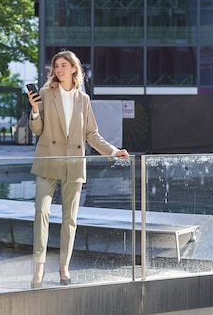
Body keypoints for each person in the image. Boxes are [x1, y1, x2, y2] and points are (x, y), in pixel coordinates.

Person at [27, 50, 129, 288]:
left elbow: (91, 134)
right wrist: (33, 110)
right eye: (56, 66)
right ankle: (39, 268)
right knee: (41, 213)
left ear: (74, 68)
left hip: (74, 163)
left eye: (63, 65)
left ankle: (64, 268)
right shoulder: (44, 93)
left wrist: (114, 152)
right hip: (47, 160)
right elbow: (37, 129)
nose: (59, 70)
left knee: (70, 219)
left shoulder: (83, 99)